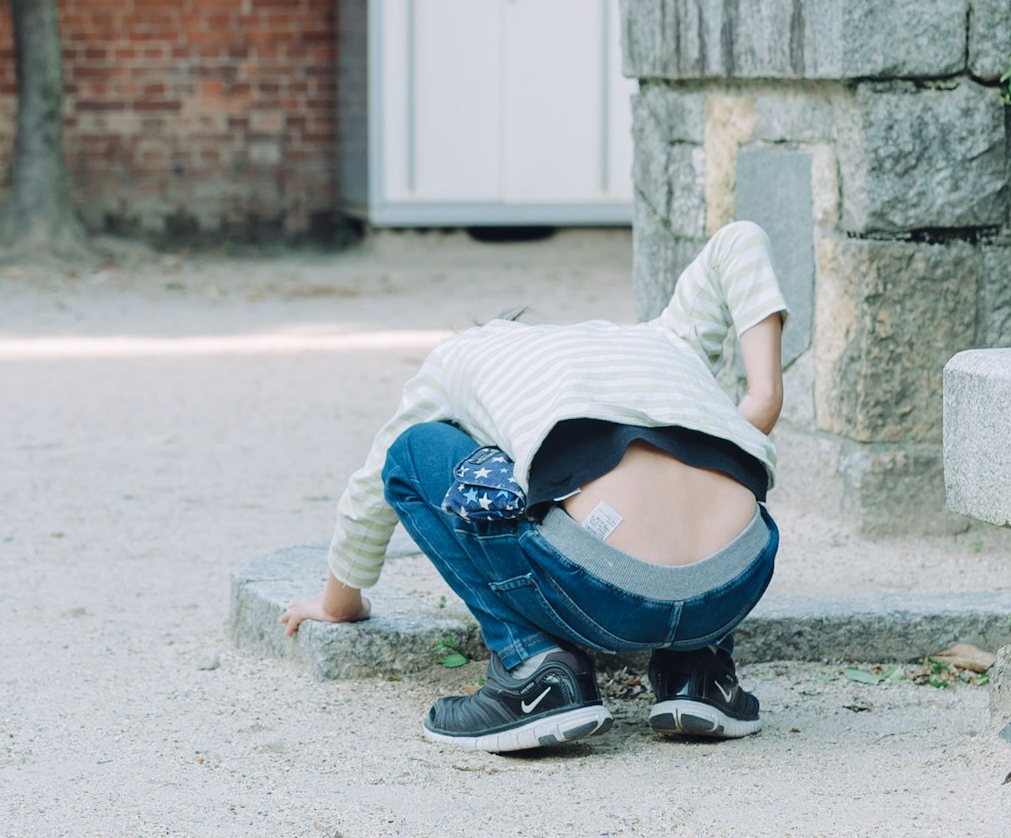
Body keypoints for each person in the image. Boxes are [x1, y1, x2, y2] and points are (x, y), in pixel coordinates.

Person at [286, 221, 790, 750]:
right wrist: (763, 398)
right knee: (681, 447)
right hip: (737, 579)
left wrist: (340, 602)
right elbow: (741, 240)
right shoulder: (666, 337)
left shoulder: (463, 356)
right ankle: (701, 673)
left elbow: (375, 481)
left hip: (604, 591)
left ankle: (534, 670)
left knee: (414, 450)